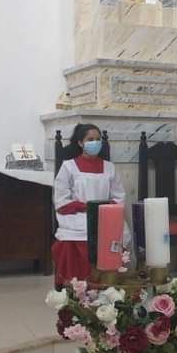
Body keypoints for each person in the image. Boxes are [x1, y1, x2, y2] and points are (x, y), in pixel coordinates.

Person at [52, 123, 125, 287]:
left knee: (116, 234)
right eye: (90, 139)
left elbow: (118, 196)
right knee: (74, 238)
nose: (95, 143)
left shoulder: (109, 168)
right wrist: (86, 207)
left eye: (98, 139)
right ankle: (76, 286)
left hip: (105, 216)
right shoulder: (68, 167)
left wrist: (103, 209)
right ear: (80, 143)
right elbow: (61, 200)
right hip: (77, 216)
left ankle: (108, 284)